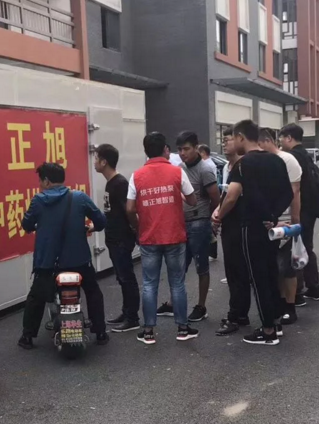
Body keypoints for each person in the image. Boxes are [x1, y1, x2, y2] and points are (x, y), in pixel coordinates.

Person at [18, 162, 110, 348]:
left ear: (46, 181)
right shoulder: (79, 197)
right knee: (93, 292)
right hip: (79, 262)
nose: (39, 185)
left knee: (36, 297)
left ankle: (27, 337)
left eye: (40, 181)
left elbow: (27, 225)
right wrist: (90, 228)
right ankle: (100, 332)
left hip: (49, 264)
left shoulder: (38, 201)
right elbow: (100, 220)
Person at [126, 132, 199, 345]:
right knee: (177, 283)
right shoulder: (177, 172)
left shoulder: (137, 175)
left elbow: (129, 208)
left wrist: (137, 226)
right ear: (165, 149)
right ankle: (183, 328)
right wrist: (179, 196)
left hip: (149, 237)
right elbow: (193, 201)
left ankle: (148, 331)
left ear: (146, 151)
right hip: (174, 235)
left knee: (149, 284)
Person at [225, 120, 293, 346]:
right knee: (271, 273)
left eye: (234, 138)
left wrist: (265, 216)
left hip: (251, 226)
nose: (233, 142)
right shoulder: (276, 159)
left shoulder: (243, 164)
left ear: (241, 137)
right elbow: (288, 193)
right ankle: (276, 322)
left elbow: (248, 195)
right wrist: (273, 216)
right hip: (272, 227)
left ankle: (268, 330)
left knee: (258, 278)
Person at [156, 132, 220, 322]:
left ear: (196, 147)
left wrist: (210, 219)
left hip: (199, 222)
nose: (182, 153)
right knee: (178, 266)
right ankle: (172, 302)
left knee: (201, 266)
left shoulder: (205, 169)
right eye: (180, 149)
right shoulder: (179, 168)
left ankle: (201, 306)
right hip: (181, 223)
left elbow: (215, 198)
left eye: (186, 149)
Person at [94, 144, 141, 333]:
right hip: (114, 238)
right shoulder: (111, 182)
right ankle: (126, 311)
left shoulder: (119, 183)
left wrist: (135, 231)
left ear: (104, 162)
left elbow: (129, 211)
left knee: (127, 277)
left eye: (96, 158)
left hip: (121, 239)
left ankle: (132, 318)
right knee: (122, 278)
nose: (94, 162)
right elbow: (112, 212)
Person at [258, 128, 302, 325]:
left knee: (287, 267)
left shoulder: (288, 160)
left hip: (285, 221)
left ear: (268, 141)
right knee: (274, 267)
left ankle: (290, 307)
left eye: (260, 145)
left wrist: (295, 222)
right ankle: (280, 304)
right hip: (267, 222)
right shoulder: (262, 161)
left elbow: (295, 193)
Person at [212, 128, 251, 336]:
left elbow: (233, 197)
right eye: (223, 140)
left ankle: (235, 315)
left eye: (228, 140)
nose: (224, 144)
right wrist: (218, 211)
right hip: (229, 224)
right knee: (233, 271)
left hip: (240, 225)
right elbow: (225, 194)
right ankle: (240, 313)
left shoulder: (243, 166)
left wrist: (219, 215)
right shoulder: (227, 167)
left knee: (238, 272)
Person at [279, 124, 319, 303]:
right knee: (306, 247)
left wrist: (294, 217)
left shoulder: (292, 157)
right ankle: (313, 288)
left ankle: (297, 293)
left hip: (300, 209)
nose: (280, 142)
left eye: (282, 138)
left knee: (296, 249)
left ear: (289, 138)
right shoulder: (305, 155)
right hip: (310, 208)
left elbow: (294, 189)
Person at [198, 143, 220, 260]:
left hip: (209, 197)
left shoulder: (207, 165)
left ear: (203, 153)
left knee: (210, 228)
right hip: (209, 196)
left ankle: (212, 253)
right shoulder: (208, 163)